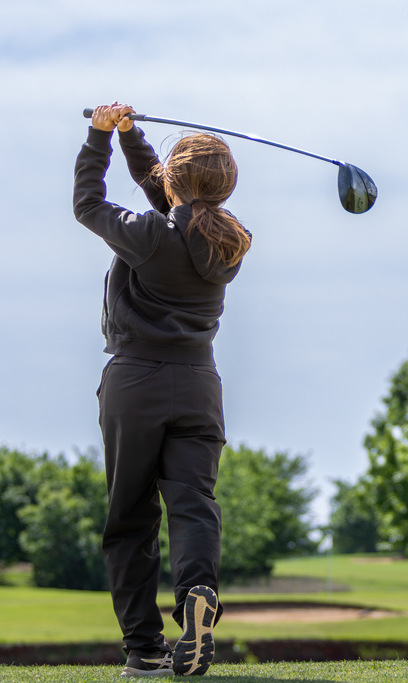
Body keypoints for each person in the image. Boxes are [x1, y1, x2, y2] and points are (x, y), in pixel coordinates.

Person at [74, 103, 252, 677]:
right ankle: (197, 590)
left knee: (130, 517)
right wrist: (131, 136)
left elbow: (87, 205)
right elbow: (173, 201)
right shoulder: (230, 241)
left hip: (137, 383)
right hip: (200, 384)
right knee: (194, 505)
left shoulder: (149, 235)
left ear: (174, 180)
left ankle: (145, 650)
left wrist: (99, 136)